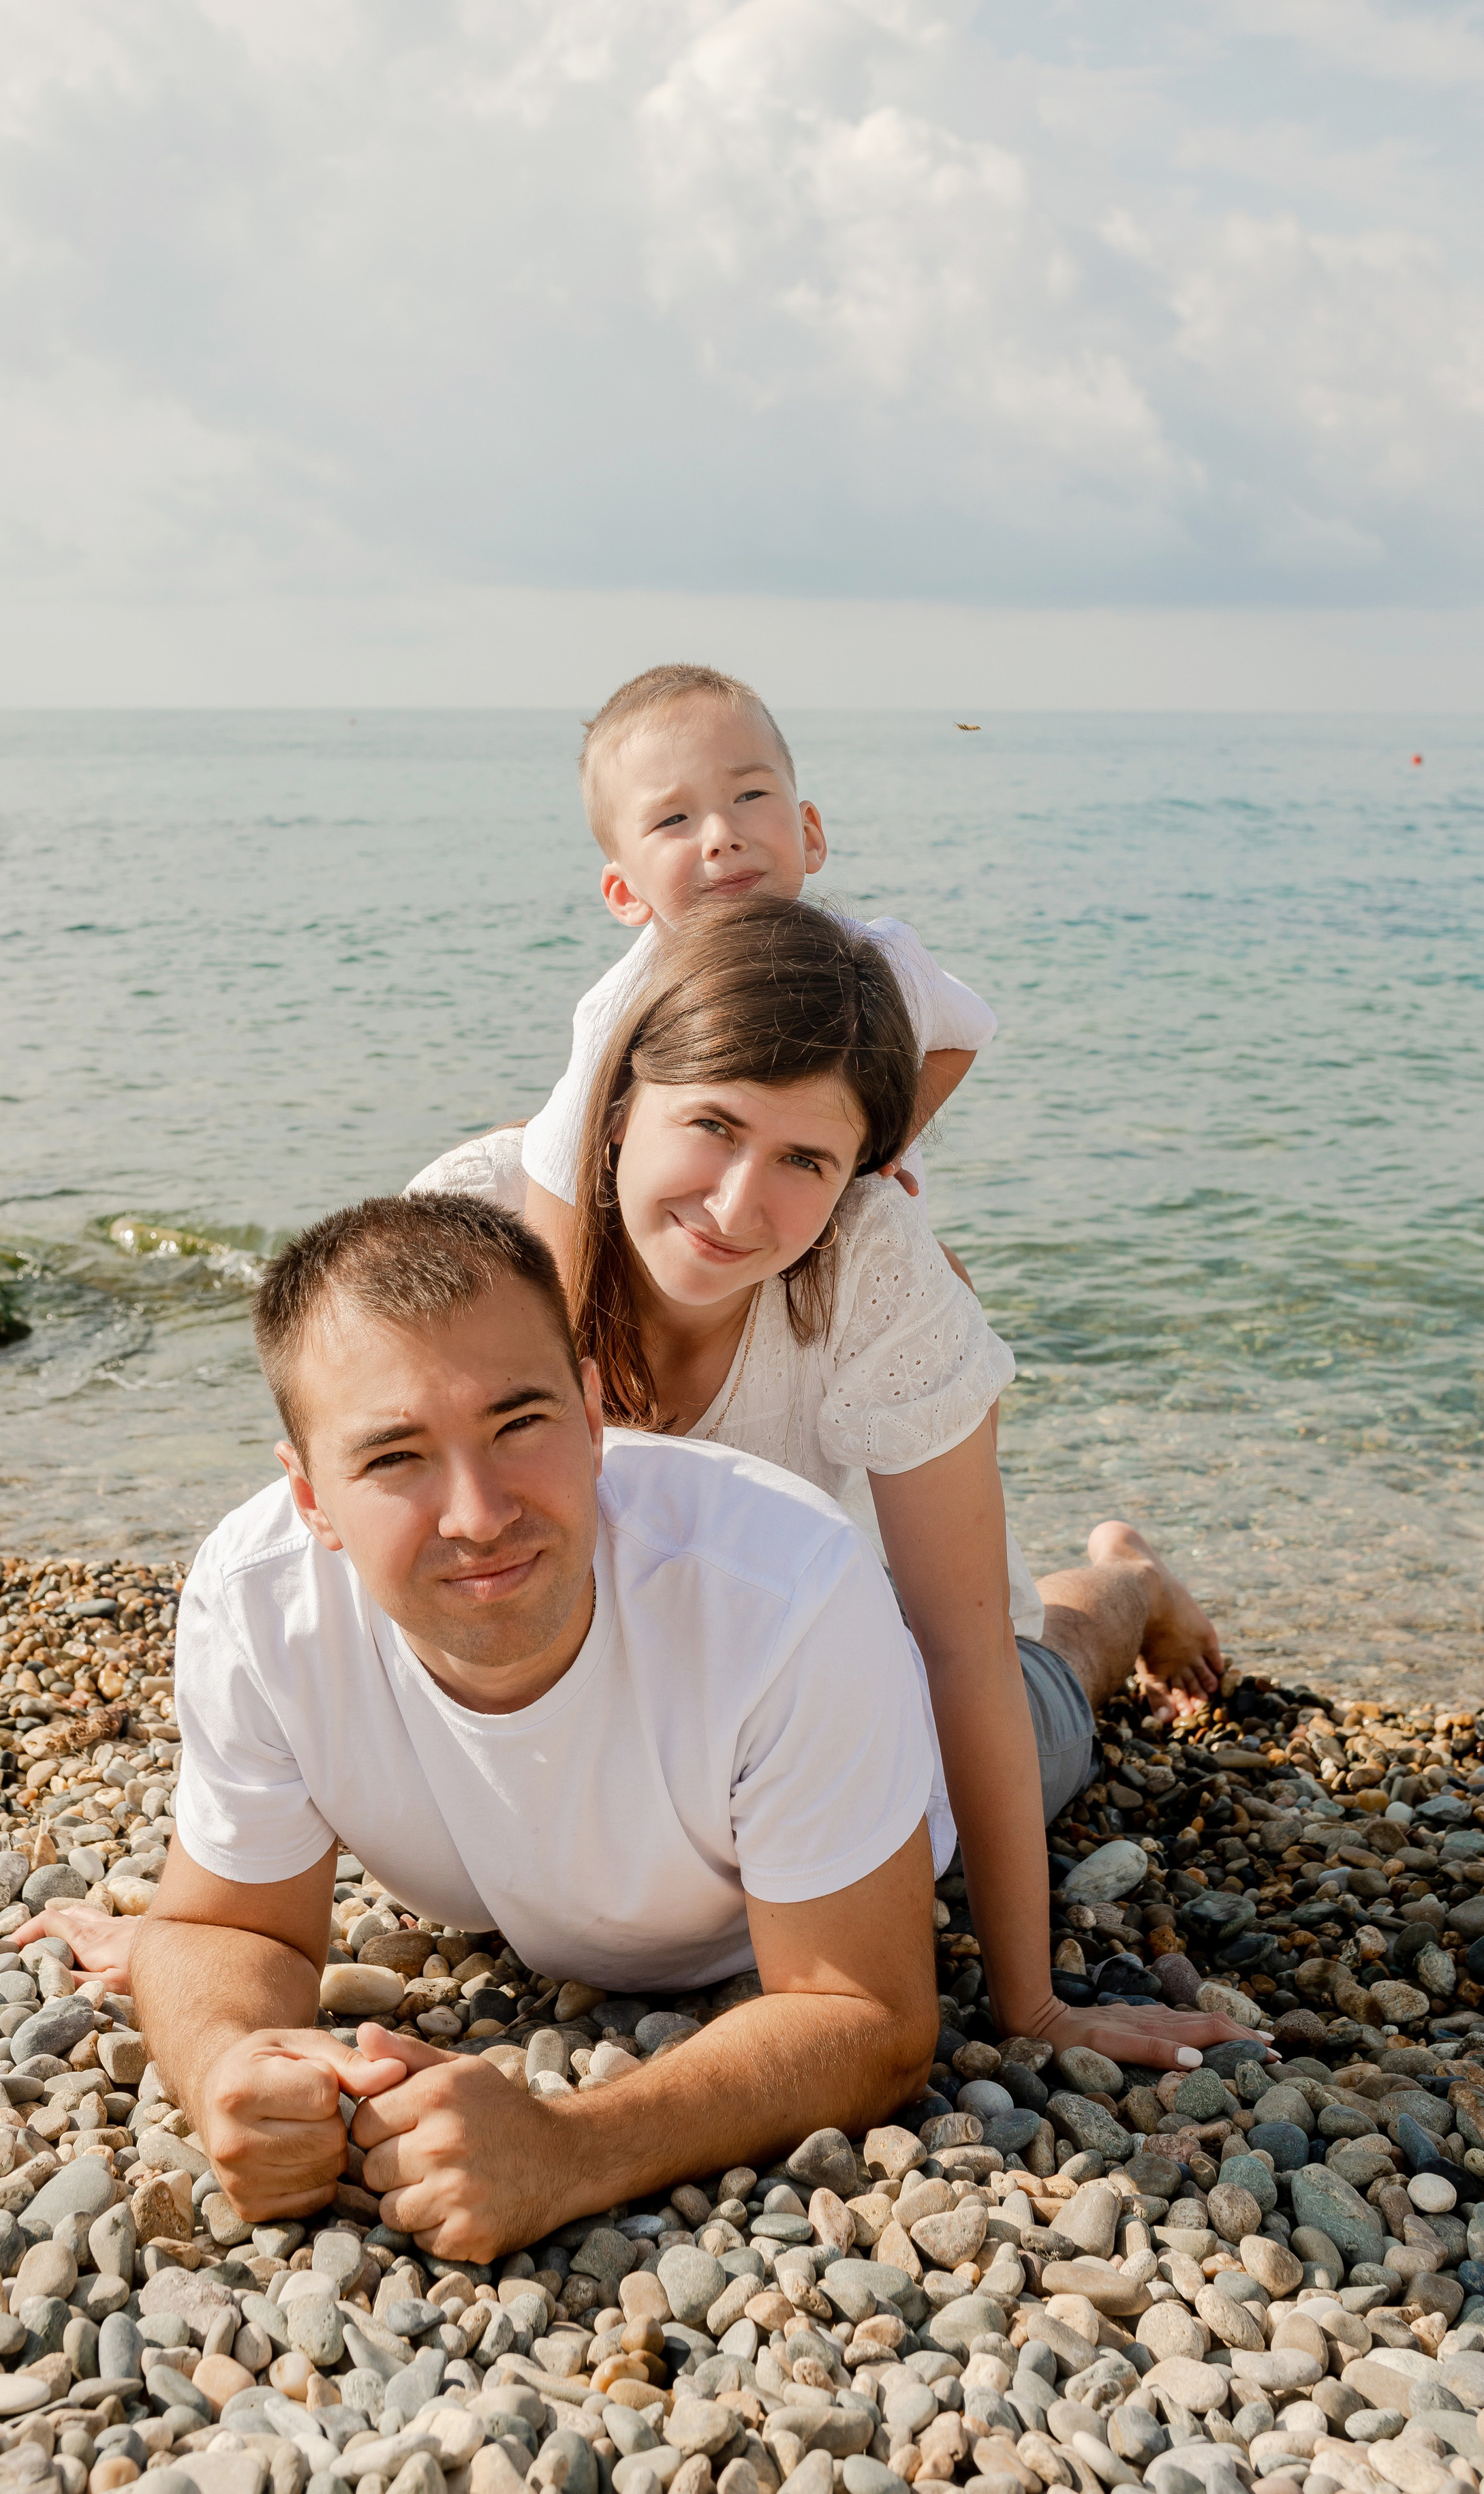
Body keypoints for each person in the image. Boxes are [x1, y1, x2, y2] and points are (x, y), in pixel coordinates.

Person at [400, 901, 1252, 2078]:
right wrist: (215, 1915)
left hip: (868, 1663)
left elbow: (958, 1650)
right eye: (712, 1125)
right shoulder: (473, 1233)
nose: (740, 1206)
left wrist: (1035, 2005)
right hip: (642, 1693)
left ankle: (1121, 1585)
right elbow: (342, 1545)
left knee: (1047, 1690)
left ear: (864, 1173)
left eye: (806, 1160)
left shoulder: (874, 1271)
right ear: (613, 1110)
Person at [122, 1190, 947, 2261]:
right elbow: (223, 1926)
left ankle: (1116, 1594)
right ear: (311, 1499)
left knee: (1051, 1689)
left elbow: (870, 2013)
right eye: (395, 1459)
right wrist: (225, 2066)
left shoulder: (788, 1591)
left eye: (519, 1424)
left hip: (900, 1760)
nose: (479, 1516)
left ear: (595, 1415)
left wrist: (569, 2150)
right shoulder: (256, 1602)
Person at [520, 662, 995, 1257]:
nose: (722, 833)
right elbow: (560, 1183)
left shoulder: (882, 967)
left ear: (810, 834)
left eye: (749, 794)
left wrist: (878, 1146)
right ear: (625, 893)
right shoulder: (625, 1009)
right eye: (673, 818)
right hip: (721, 1262)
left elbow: (966, 1033)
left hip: (858, 1267)